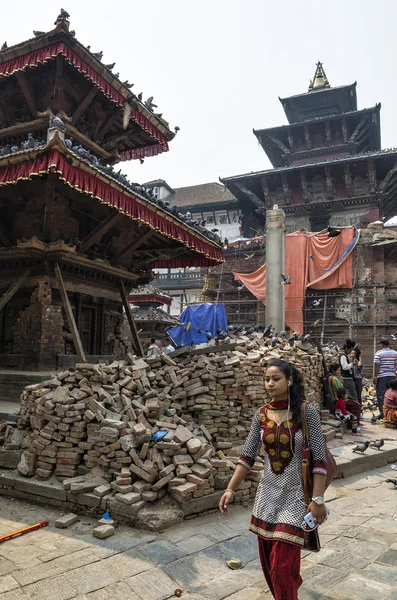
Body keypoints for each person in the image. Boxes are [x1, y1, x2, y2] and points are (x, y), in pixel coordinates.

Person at [219, 359, 327, 600]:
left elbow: (319, 459)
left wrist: (317, 499)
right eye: (266, 379)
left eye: (275, 378)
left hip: (296, 497)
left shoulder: (306, 411)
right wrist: (230, 489)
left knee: (282, 567)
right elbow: (247, 456)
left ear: (289, 381)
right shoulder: (261, 414)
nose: (269, 383)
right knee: (271, 565)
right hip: (267, 497)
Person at [374, 339, 397, 419]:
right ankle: (391, 413)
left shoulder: (379, 353)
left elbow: (376, 366)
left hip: (382, 376)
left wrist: (375, 377)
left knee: (381, 395)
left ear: (382, 345)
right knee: (392, 394)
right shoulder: (394, 353)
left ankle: (383, 413)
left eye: (379, 344)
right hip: (392, 376)